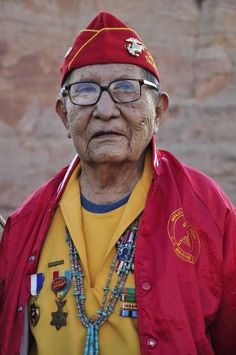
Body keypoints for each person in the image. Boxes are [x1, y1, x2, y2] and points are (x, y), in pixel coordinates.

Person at [0, 11, 236, 355]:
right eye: (85, 91)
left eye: (126, 89)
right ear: (63, 115)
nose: (105, 109)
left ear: (159, 112)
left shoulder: (206, 212)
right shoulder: (26, 225)